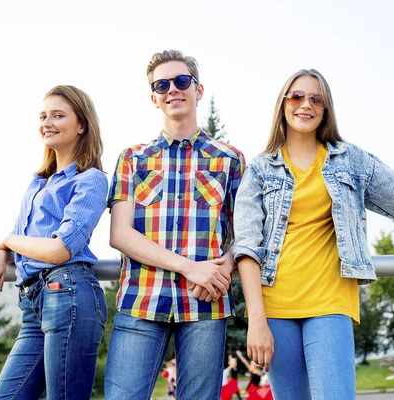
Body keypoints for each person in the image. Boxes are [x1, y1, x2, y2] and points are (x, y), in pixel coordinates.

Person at [232, 69, 394, 399]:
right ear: (283, 104)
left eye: (317, 98)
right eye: (297, 96)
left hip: (330, 303)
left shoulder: (352, 162)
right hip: (274, 308)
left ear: (326, 109)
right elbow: (246, 247)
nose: (306, 104)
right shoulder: (259, 170)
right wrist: (256, 321)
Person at [104, 49, 246, 399]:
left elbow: (244, 234)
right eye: (162, 84)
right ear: (153, 97)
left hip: (205, 304)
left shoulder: (230, 159)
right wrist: (190, 268)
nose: (173, 89)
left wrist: (222, 268)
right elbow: (120, 234)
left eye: (182, 81)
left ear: (198, 90)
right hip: (141, 300)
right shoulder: (133, 158)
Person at [0, 85, 108, 399]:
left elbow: (60, 249)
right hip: (33, 303)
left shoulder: (90, 179)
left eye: (58, 115)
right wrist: (0, 250)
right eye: (43, 116)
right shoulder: (38, 183)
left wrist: (6, 241)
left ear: (81, 125)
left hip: (69, 295)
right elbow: (24, 236)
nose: (47, 122)